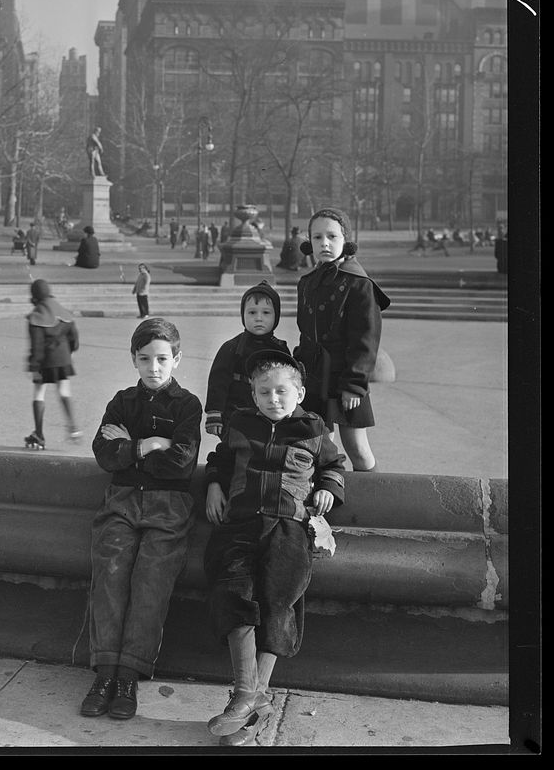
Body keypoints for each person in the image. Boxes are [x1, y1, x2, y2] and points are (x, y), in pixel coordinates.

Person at [203, 349, 346, 746]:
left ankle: (251, 699)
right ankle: (250, 698)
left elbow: (334, 464)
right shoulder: (241, 423)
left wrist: (328, 488)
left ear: (299, 393)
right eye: (264, 392)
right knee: (233, 594)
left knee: (278, 602)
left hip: (288, 528)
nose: (273, 399)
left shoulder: (312, 427)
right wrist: (214, 482)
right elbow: (221, 459)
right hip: (240, 525)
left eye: (282, 391)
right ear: (253, 395)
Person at [81, 318, 202, 721]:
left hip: (169, 506)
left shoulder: (187, 405)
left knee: (151, 581)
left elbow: (183, 462)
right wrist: (150, 444)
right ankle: (104, 672)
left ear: (177, 360)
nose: (154, 367)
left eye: (163, 359)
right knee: (111, 573)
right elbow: (103, 452)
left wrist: (128, 447)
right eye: (145, 358)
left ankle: (129, 674)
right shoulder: (121, 402)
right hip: (122, 501)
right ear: (134, 359)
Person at [294, 207, 390, 472]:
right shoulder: (307, 282)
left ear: (345, 240)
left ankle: (373, 504)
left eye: (332, 236)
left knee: (357, 449)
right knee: (317, 447)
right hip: (313, 377)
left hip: (345, 379)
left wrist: (354, 385)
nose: (324, 243)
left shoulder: (359, 283)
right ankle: (324, 504)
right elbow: (305, 332)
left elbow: (366, 340)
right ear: (309, 242)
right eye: (317, 237)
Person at [205, 280, 291, 439]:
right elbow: (218, 381)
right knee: (233, 449)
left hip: (269, 411)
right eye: (252, 313)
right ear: (243, 315)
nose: (259, 318)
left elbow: (289, 383)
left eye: (266, 313)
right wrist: (214, 412)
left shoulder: (280, 349)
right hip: (235, 412)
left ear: (276, 316)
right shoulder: (232, 347)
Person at [24, 279, 82, 448]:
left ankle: (39, 434)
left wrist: (34, 366)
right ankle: (73, 427)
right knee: (64, 391)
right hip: (63, 358)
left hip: (45, 361)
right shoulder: (63, 312)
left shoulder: (36, 316)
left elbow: (37, 346)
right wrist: (70, 353)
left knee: (39, 393)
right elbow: (74, 338)